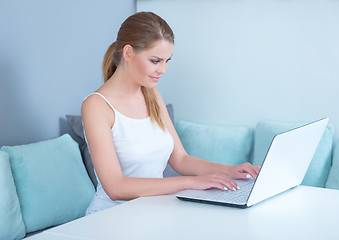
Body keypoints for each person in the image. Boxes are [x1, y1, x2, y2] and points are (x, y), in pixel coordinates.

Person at [81, 11, 260, 215]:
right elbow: (116, 187)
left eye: (167, 61)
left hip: (153, 212)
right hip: (110, 217)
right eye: (155, 61)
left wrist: (230, 170)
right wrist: (191, 183)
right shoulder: (96, 106)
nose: (163, 70)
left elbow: (181, 159)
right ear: (128, 53)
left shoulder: (152, 94)